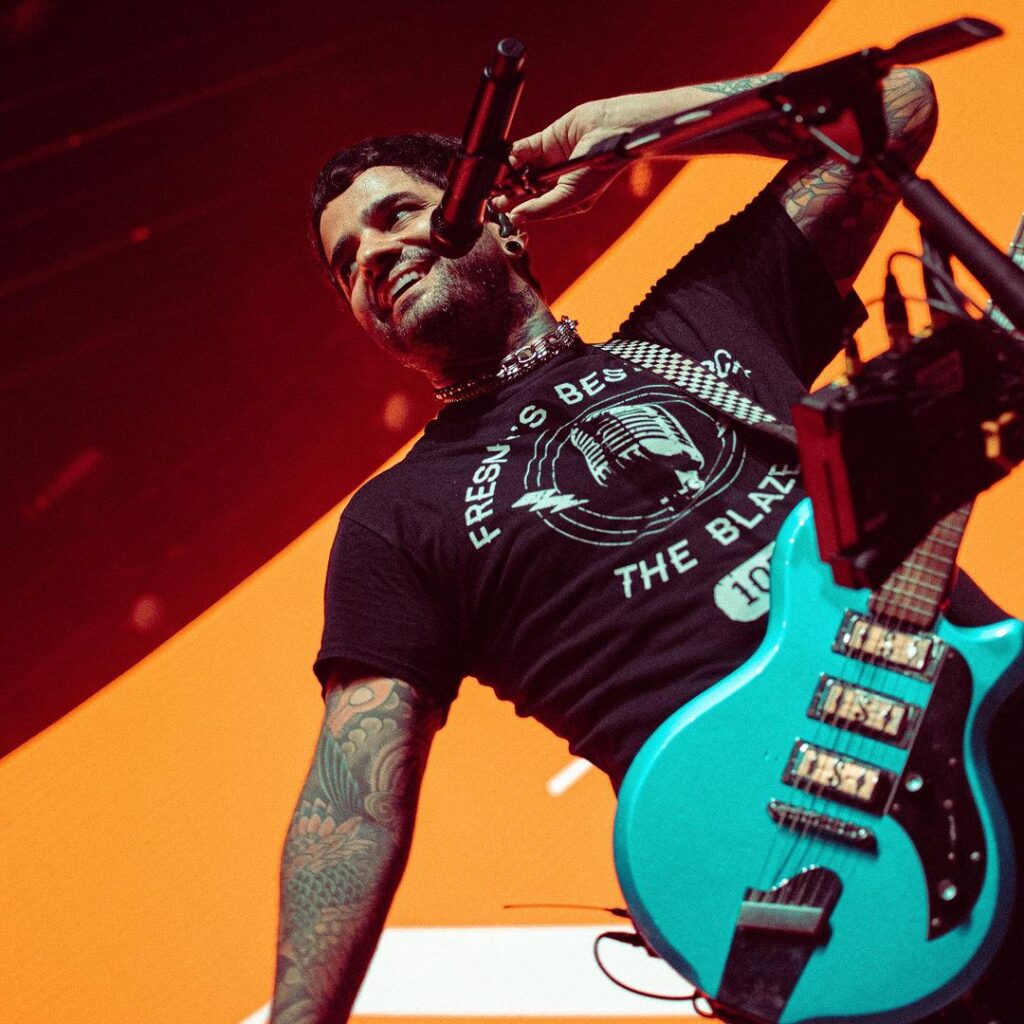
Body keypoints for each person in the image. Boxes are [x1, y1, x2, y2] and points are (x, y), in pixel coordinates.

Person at [269, 65, 1020, 1024]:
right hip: (808, 879)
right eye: (347, 264)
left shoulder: (708, 316)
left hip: (988, 718)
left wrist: (635, 128)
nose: (372, 255)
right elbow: (353, 802)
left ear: (500, 220)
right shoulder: (397, 519)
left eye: (396, 215)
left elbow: (892, 107)